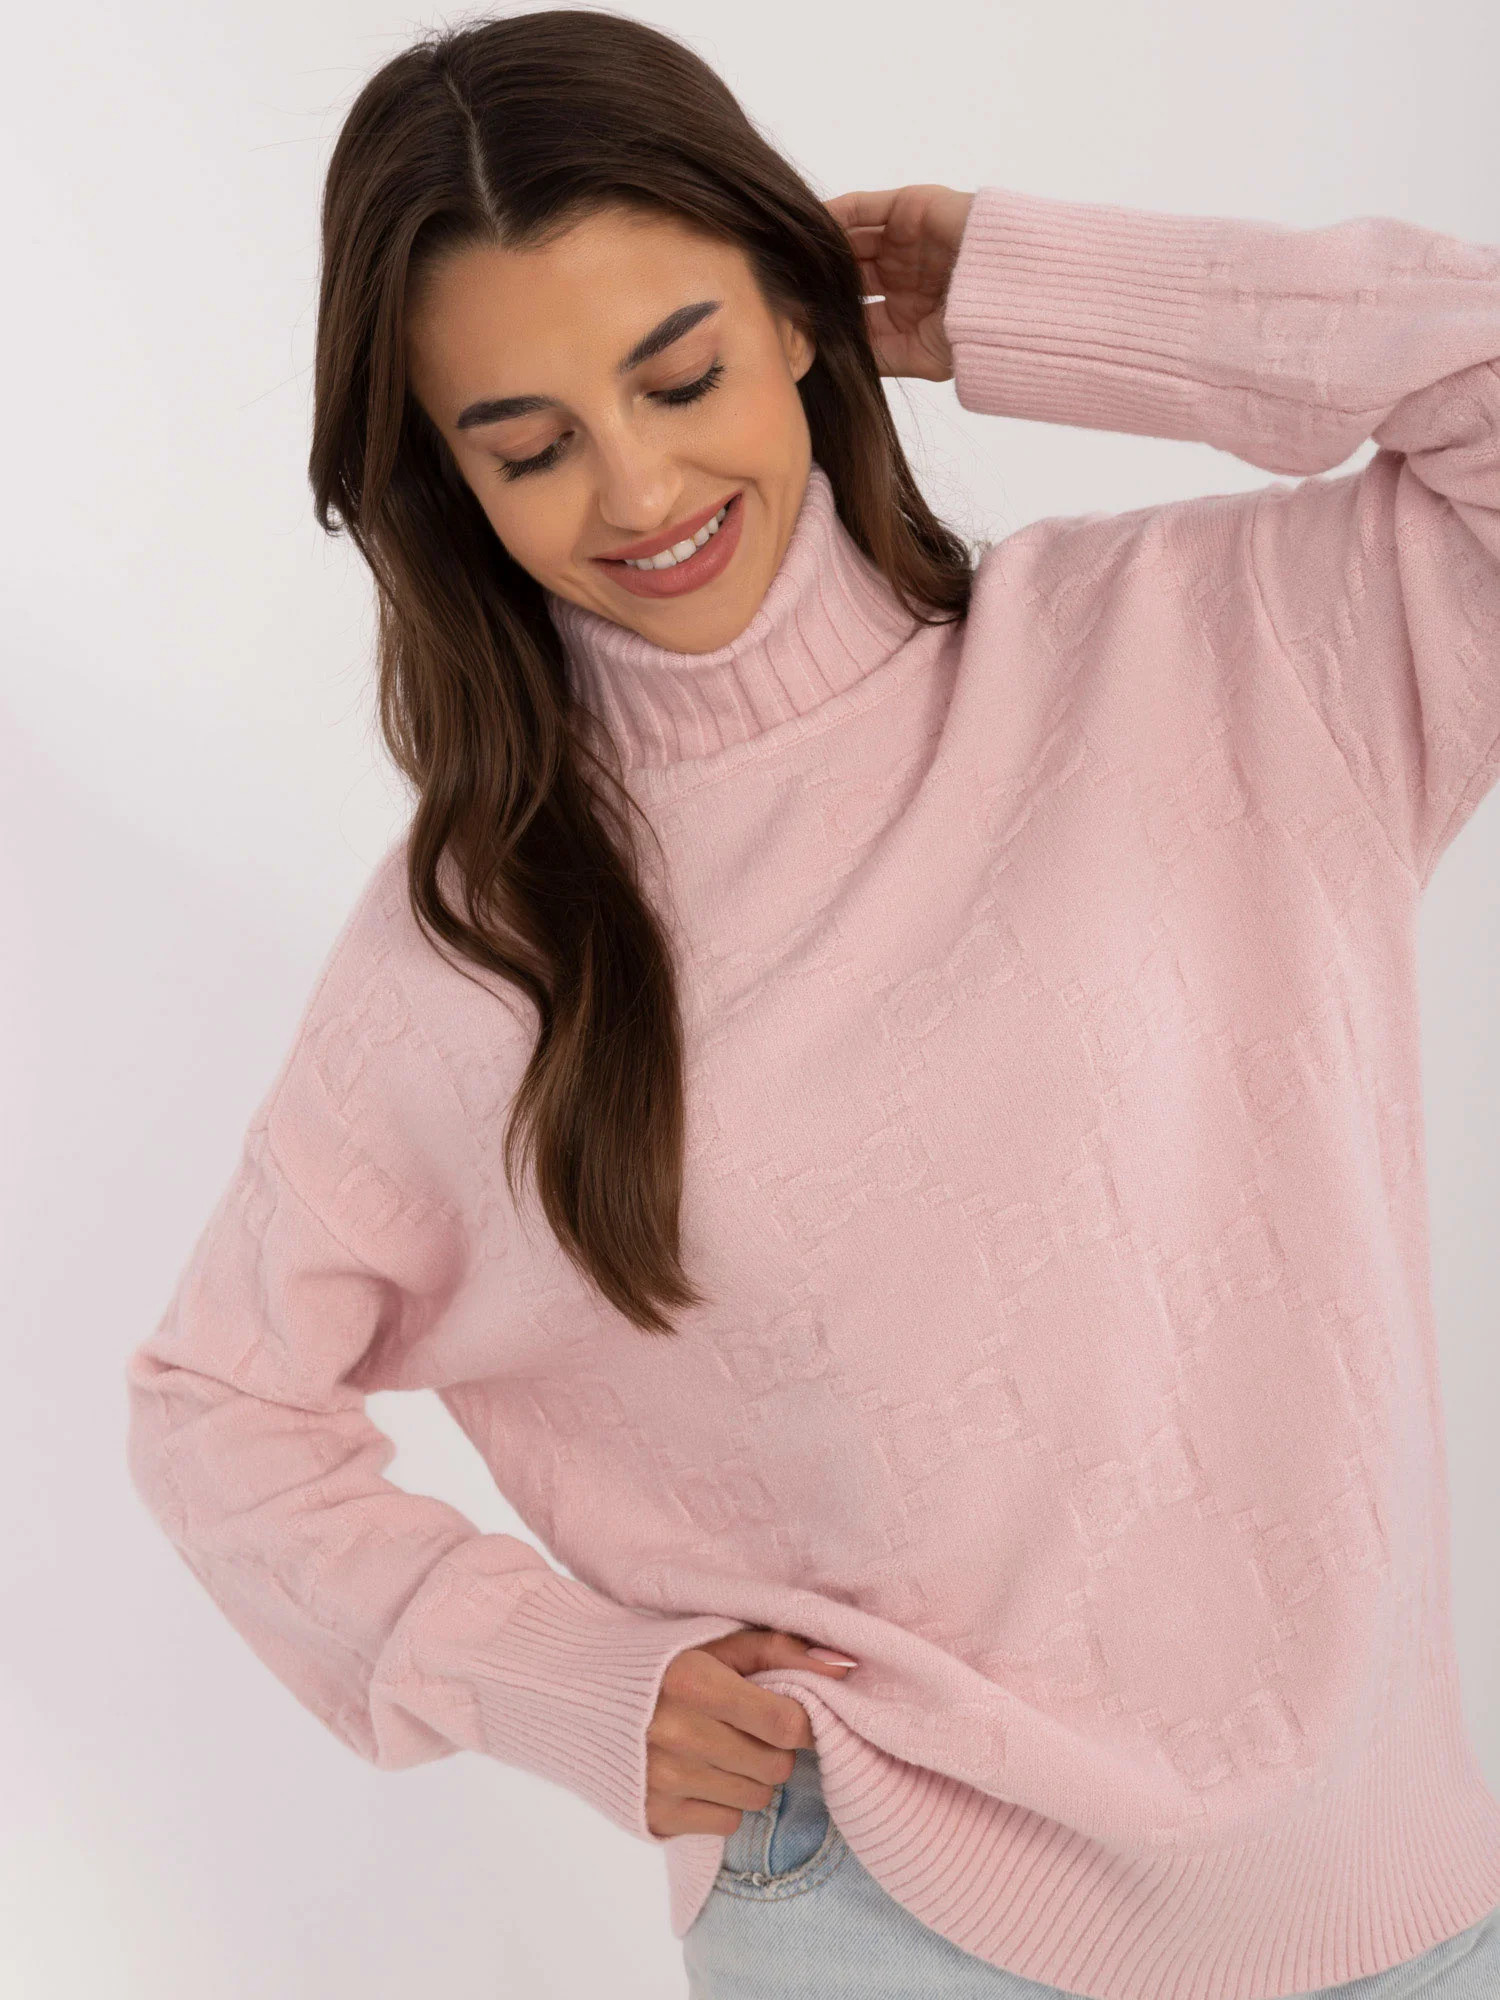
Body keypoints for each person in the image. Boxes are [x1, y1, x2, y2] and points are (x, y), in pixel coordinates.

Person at [123, 9, 1500, 1998]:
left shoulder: (1216, 650)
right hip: (883, 1905)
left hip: (1379, 1889)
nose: (638, 485)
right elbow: (217, 1403)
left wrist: (1028, 294)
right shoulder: (481, 944)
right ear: (447, 480)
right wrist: (541, 1669)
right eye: (528, 444)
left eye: (678, 371)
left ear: (797, 314)